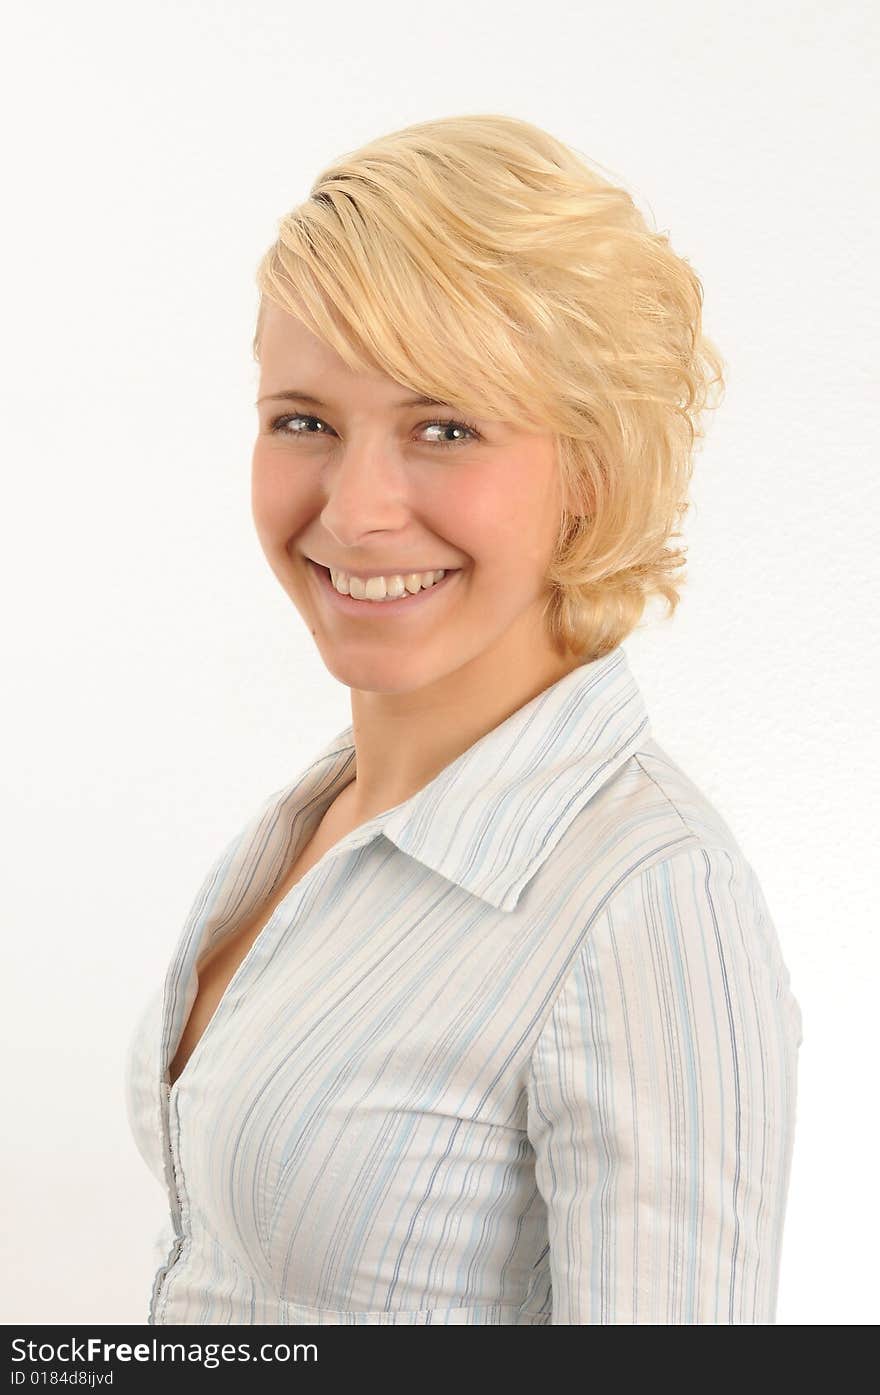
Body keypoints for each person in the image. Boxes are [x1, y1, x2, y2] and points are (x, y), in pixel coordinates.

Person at [124, 112, 803, 1325]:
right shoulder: (321, 815)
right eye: (304, 420)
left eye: (447, 428)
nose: (355, 509)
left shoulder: (644, 906)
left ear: (587, 471)